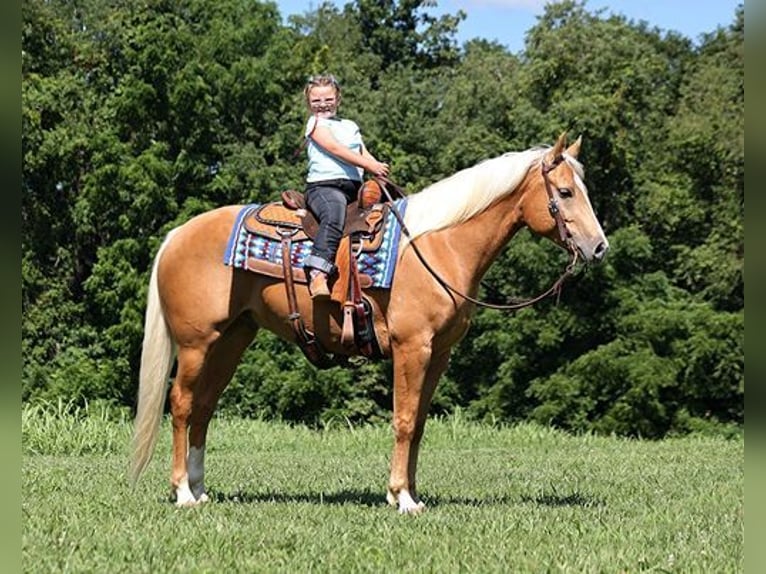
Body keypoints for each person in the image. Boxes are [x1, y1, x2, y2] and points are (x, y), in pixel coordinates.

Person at [301, 74, 390, 298]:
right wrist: (370, 165)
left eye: (328, 99)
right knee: (334, 213)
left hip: (354, 188)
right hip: (324, 187)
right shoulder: (315, 123)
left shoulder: (350, 126)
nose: (323, 105)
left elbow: (362, 152)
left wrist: (379, 171)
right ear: (309, 103)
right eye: (316, 101)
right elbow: (335, 149)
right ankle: (318, 271)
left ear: (338, 99)